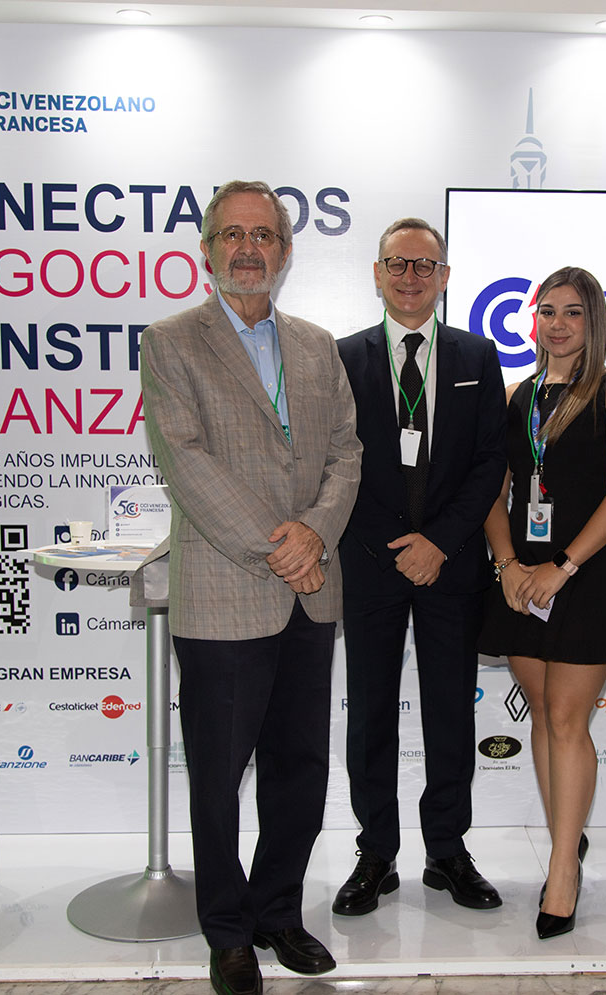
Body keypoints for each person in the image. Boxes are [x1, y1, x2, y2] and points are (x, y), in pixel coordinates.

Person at [141, 180, 362, 995]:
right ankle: (228, 932)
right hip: (226, 591)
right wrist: (284, 547)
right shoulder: (171, 342)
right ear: (207, 249)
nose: (247, 248)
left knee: (299, 767)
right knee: (219, 776)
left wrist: (316, 533)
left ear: (286, 250)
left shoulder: (316, 344)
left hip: (310, 591)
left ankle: (278, 912)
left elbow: (347, 451)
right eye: (231, 234)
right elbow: (185, 460)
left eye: (262, 235)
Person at [477, 265, 606, 939]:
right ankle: (568, 836)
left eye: (573, 312)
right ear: (533, 319)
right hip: (522, 577)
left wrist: (562, 567)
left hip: (586, 573)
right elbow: (493, 491)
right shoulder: (515, 395)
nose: (558, 325)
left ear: (594, 322)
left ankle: (563, 867)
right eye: (548, 311)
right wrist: (507, 564)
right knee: (541, 713)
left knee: (567, 717)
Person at [333, 218, 508, 916]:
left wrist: (438, 541)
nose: (411, 277)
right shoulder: (342, 357)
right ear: (377, 274)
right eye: (398, 264)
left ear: (444, 277)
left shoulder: (478, 354)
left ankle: (447, 851)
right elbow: (336, 462)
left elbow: (490, 461)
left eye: (424, 265)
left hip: (452, 564)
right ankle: (376, 853)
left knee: (449, 712)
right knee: (370, 713)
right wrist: (394, 545)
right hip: (370, 564)